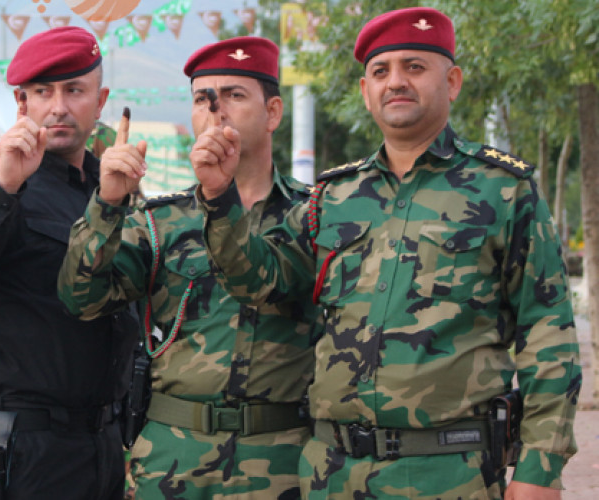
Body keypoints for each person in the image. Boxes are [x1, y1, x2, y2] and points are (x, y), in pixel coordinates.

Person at [193, 7, 581, 499]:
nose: (396, 81)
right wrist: (219, 198)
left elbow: (548, 331)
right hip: (333, 473)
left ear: (452, 82)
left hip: (447, 473)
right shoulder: (334, 197)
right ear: (365, 91)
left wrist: (540, 470)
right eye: (381, 71)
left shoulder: (503, 189)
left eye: (414, 67)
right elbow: (259, 282)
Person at [58, 37, 318, 498]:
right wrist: (108, 202)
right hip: (174, 459)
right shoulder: (160, 221)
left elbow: (263, 282)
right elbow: (81, 299)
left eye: (235, 95)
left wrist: (220, 198)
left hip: (283, 459)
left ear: (273, 112)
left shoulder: (314, 214)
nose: (217, 112)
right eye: (203, 99)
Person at [0, 26, 138, 499]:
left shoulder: (110, 190)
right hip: (25, 443)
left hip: (105, 440)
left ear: (100, 101)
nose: (59, 107)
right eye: (43, 92)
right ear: (21, 103)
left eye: (74, 91)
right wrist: (6, 187)